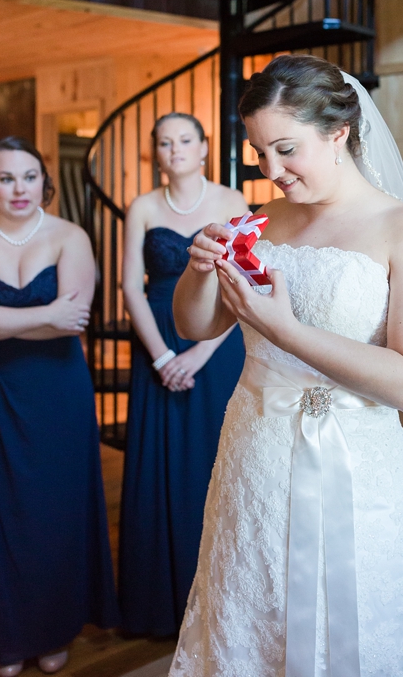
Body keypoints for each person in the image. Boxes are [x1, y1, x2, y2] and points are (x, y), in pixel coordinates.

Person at [169, 55, 403, 675]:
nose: (271, 171)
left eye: (286, 149)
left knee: (350, 619)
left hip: (357, 463)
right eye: (258, 152)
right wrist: (197, 271)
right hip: (255, 448)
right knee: (248, 607)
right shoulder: (262, 222)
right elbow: (197, 325)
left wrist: (287, 331)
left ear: (339, 133)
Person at [119, 114, 248, 636]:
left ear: (203, 148)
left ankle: (220, 601)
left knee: (214, 464)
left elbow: (245, 286)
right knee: (159, 471)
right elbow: (130, 286)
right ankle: (158, 602)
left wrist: (198, 354)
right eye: (164, 141)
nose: (174, 149)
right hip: (157, 340)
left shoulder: (234, 203)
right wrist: (160, 358)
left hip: (217, 344)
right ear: (157, 152)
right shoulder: (143, 207)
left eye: (185, 140)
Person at [0, 136, 119, 676]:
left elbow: (75, 316)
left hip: (59, 393)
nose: (17, 188)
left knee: (56, 510)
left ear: (44, 182)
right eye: (4, 178)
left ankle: (55, 626)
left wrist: (1, 319)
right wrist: (38, 316)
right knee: (12, 512)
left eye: (28, 177)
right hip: (1, 388)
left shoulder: (70, 236)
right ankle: (12, 633)